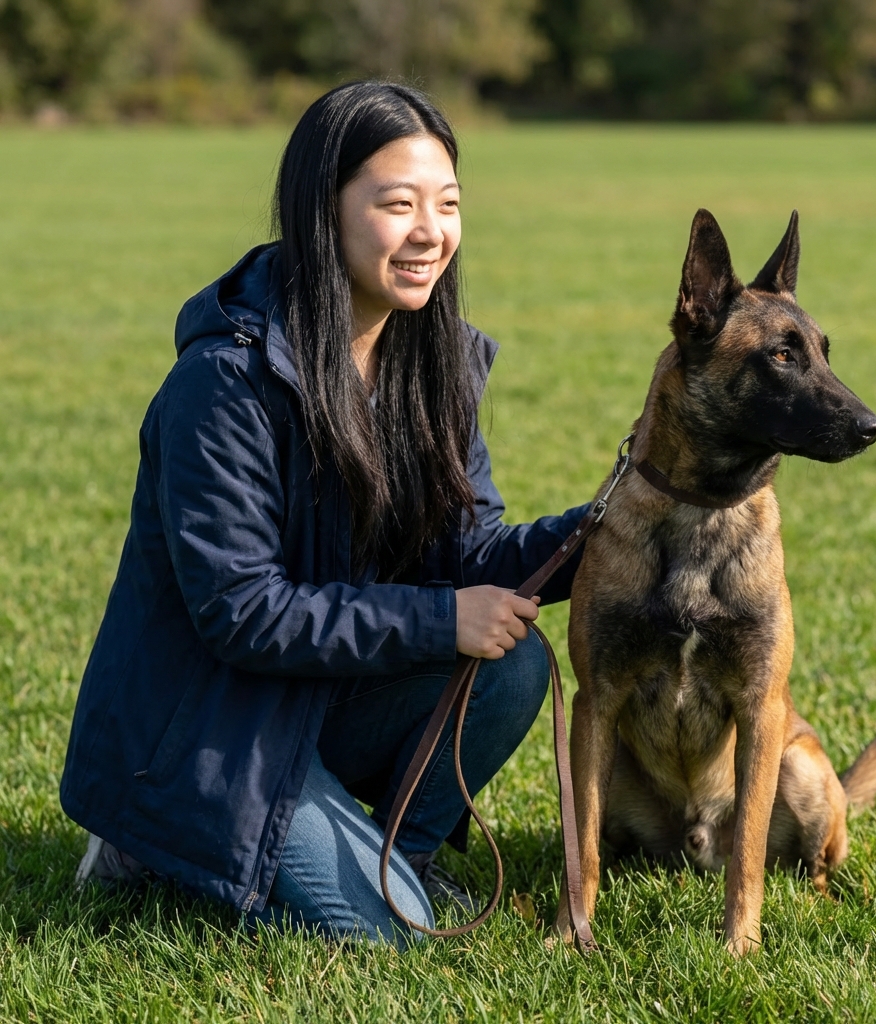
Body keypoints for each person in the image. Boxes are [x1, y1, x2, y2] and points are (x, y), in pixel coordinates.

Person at [60, 81, 588, 948]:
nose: (431, 232)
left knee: (514, 662)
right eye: (398, 204)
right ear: (322, 208)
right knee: (390, 936)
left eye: (448, 205)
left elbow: (471, 556)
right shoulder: (222, 386)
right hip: (204, 730)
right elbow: (242, 612)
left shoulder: (434, 367)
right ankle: (141, 837)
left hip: (317, 700)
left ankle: (400, 858)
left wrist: (622, 523)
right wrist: (439, 618)